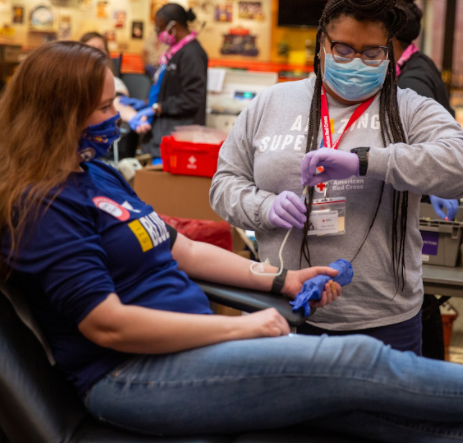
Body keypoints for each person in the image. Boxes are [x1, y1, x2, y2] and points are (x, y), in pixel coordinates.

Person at [5, 42, 463, 443]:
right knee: (357, 359)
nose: (118, 117)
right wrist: (241, 327)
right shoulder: (42, 205)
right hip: (132, 376)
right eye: (105, 108)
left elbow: (181, 249)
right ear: (59, 114)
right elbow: (109, 327)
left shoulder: (96, 174)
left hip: (187, 353)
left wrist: (283, 280)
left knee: (382, 416)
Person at [210, 0, 463, 356]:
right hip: (281, 311)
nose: (355, 60)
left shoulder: (409, 109)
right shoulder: (271, 103)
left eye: (371, 52)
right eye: (343, 49)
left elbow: (457, 165)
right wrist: (264, 206)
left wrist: (367, 161)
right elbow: (224, 185)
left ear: (389, 52)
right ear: (321, 44)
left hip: (382, 322)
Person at [394, 0, 459, 360]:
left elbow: (413, 154)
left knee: (420, 298)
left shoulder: (412, 82)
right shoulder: (422, 63)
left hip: (423, 207)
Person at [116, 3, 208, 160]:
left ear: (173, 26)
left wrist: (157, 107)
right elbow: (170, 90)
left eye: (160, 28)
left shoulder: (192, 54)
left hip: (176, 138)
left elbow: (193, 98)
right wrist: (147, 103)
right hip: (161, 135)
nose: (158, 33)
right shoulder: (175, 51)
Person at [79, 32, 129, 97]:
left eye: (100, 49)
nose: (95, 52)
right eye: (91, 47)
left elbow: (120, 101)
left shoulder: (113, 82)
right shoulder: (72, 79)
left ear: (106, 54)